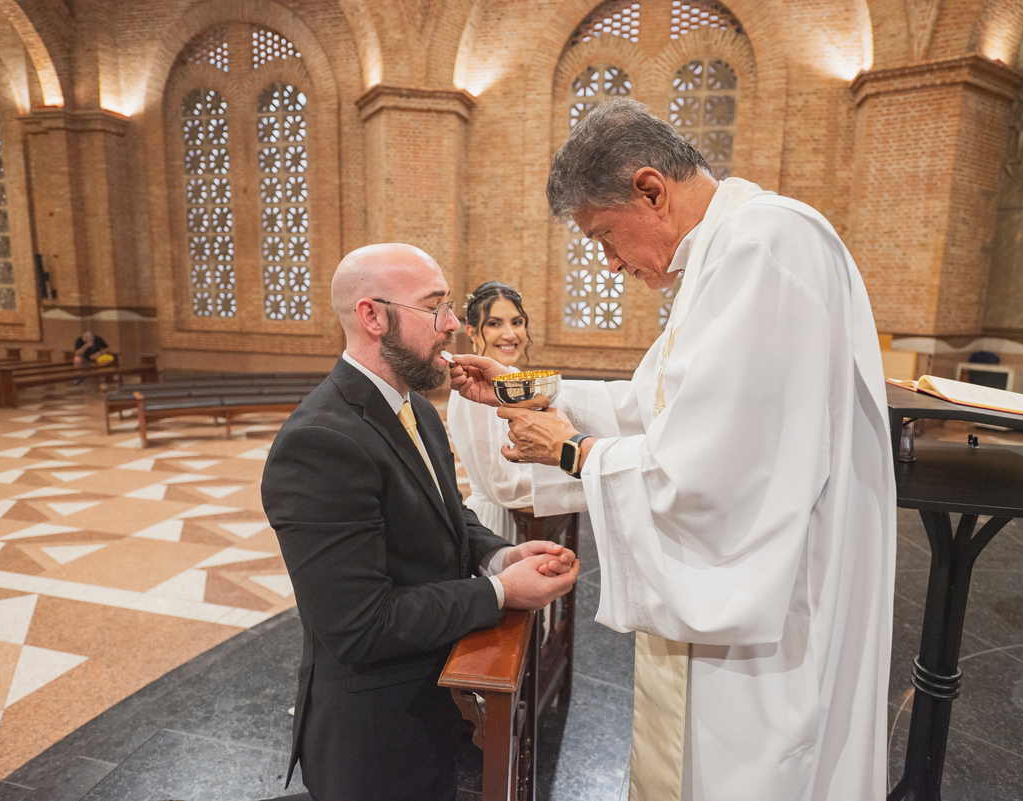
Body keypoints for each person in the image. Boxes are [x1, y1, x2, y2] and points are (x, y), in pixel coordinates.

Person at [451, 98, 896, 801]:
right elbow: (647, 406)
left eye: (604, 235)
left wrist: (574, 453)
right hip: (746, 605)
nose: (609, 262)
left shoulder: (766, 246)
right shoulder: (724, 256)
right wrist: (520, 388)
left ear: (651, 191)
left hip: (772, 614)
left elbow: (716, 476)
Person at [261, 243, 578, 801]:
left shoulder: (417, 410)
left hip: (430, 702)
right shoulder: (319, 443)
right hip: (374, 739)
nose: (452, 324)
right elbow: (360, 626)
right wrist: (502, 592)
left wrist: (499, 555)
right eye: (435, 308)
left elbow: (446, 513)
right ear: (373, 316)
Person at [447, 281, 534, 543]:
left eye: (517, 322)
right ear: (472, 332)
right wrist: (576, 474)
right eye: (495, 324)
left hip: (526, 516)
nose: (510, 334)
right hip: (495, 523)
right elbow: (501, 485)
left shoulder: (514, 376)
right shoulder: (472, 387)